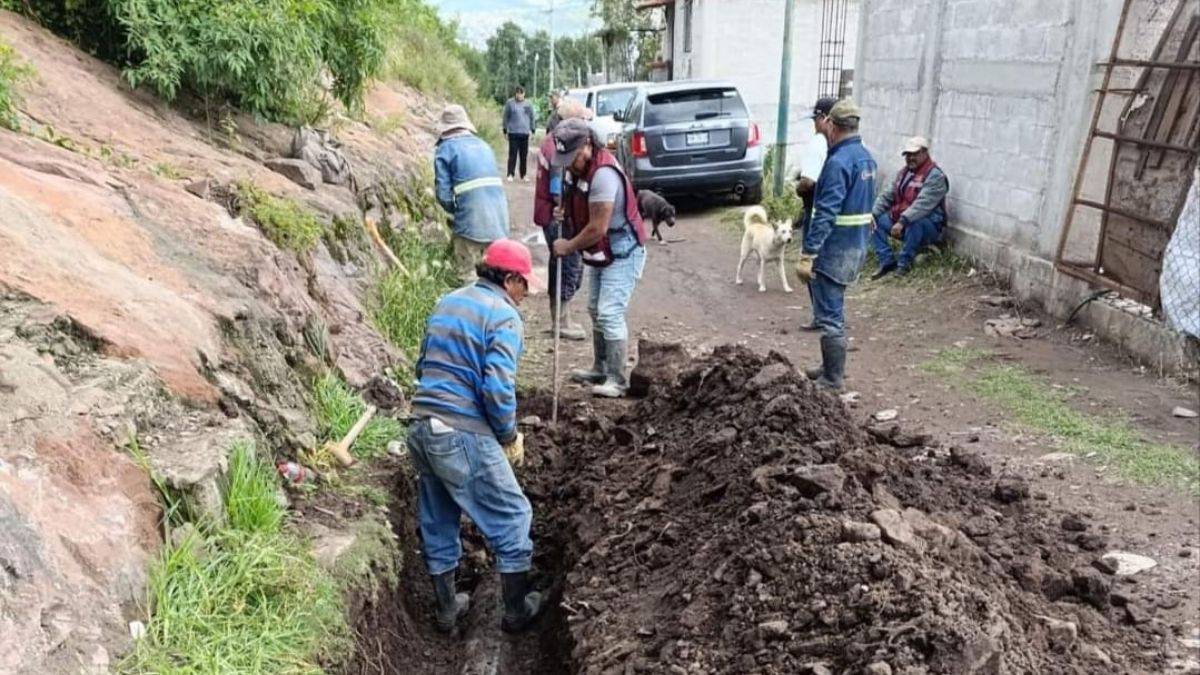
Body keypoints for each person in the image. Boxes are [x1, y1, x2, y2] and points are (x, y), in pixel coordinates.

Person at [407, 239, 546, 635]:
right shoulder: (503, 315)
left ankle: (448, 610)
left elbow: (423, 365)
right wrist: (508, 434)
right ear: (508, 279)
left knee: (439, 518)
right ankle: (516, 611)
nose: (526, 293)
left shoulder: (447, 301)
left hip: (422, 425)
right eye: (523, 284)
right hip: (459, 430)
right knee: (513, 515)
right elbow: (497, 388)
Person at [549, 118, 648, 398]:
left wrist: (567, 246)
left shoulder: (603, 175)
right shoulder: (576, 171)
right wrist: (564, 212)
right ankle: (601, 367)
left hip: (623, 248)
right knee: (594, 308)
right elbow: (577, 203)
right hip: (602, 248)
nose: (569, 164)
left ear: (588, 146)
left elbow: (596, 227)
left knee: (609, 312)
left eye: (573, 157)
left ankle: (617, 380)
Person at [794, 99, 877, 392]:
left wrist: (809, 252)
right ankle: (829, 368)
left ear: (833, 125)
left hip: (835, 247)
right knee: (835, 307)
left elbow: (826, 211)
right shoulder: (866, 158)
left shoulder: (838, 162)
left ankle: (833, 378)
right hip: (856, 245)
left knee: (830, 314)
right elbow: (866, 204)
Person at [535, 99, 594, 341]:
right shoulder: (559, 147)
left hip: (548, 210)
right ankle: (561, 321)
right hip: (555, 214)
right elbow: (558, 185)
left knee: (559, 264)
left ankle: (559, 318)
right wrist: (565, 207)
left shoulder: (551, 141)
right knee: (567, 265)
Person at [433, 104, 509, 282]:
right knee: (495, 279)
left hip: (470, 222)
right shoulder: (484, 145)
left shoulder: (445, 150)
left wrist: (454, 213)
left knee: (467, 278)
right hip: (499, 221)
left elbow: (443, 195)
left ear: (445, 130)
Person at [870, 136, 950, 279]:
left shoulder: (936, 176)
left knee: (916, 222)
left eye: (914, 154)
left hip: (926, 227)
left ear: (925, 153)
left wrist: (902, 221)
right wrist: (872, 214)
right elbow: (887, 195)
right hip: (902, 223)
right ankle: (887, 260)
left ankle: (904, 264)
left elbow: (922, 205)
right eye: (907, 154)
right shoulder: (903, 173)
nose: (910, 158)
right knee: (874, 222)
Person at [795, 97, 837, 332]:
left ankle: (822, 315)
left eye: (816, 119)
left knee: (812, 263)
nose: (814, 124)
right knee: (830, 265)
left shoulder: (819, 142)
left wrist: (797, 188)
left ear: (824, 119)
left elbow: (808, 181)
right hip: (835, 213)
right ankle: (830, 313)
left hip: (816, 210)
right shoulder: (843, 145)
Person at [502, 86, 536, 182]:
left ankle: (523, 174)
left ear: (524, 94)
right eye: (518, 93)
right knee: (512, 154)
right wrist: (505, 130)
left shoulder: (528, 104)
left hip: (524, 133)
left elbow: (532, 117)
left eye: (521, 93)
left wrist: (533, 130)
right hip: (513, 132)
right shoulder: (510, 103)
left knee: (523, 155)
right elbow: (505, 117)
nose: (519, 95)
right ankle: (510, 174)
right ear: (515, 93)